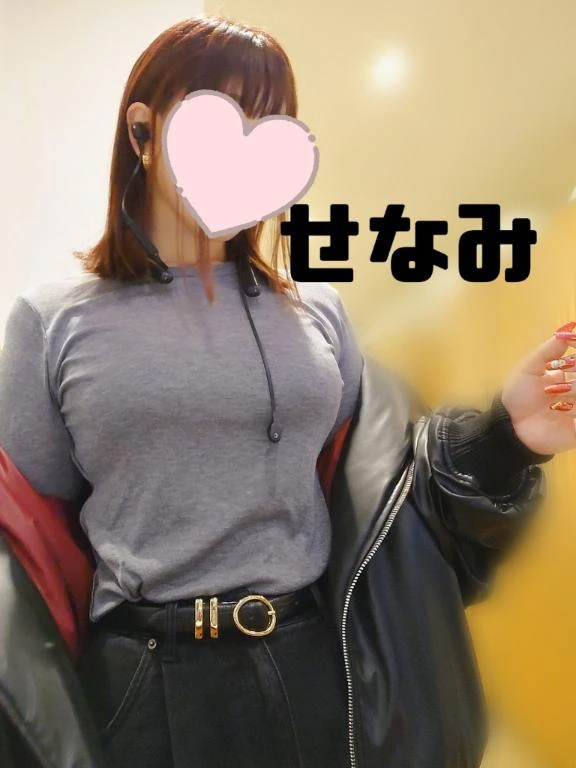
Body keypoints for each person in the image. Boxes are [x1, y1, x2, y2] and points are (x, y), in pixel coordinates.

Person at [1, 14, 576, 768]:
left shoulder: (317, 311)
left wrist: (507, 433)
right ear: (142, 131)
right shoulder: (51, 320)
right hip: (142, 678)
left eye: (269, 126)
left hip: (307, 663)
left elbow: (376, 492)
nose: (245, 147)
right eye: (219, 119)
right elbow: (38, 530)